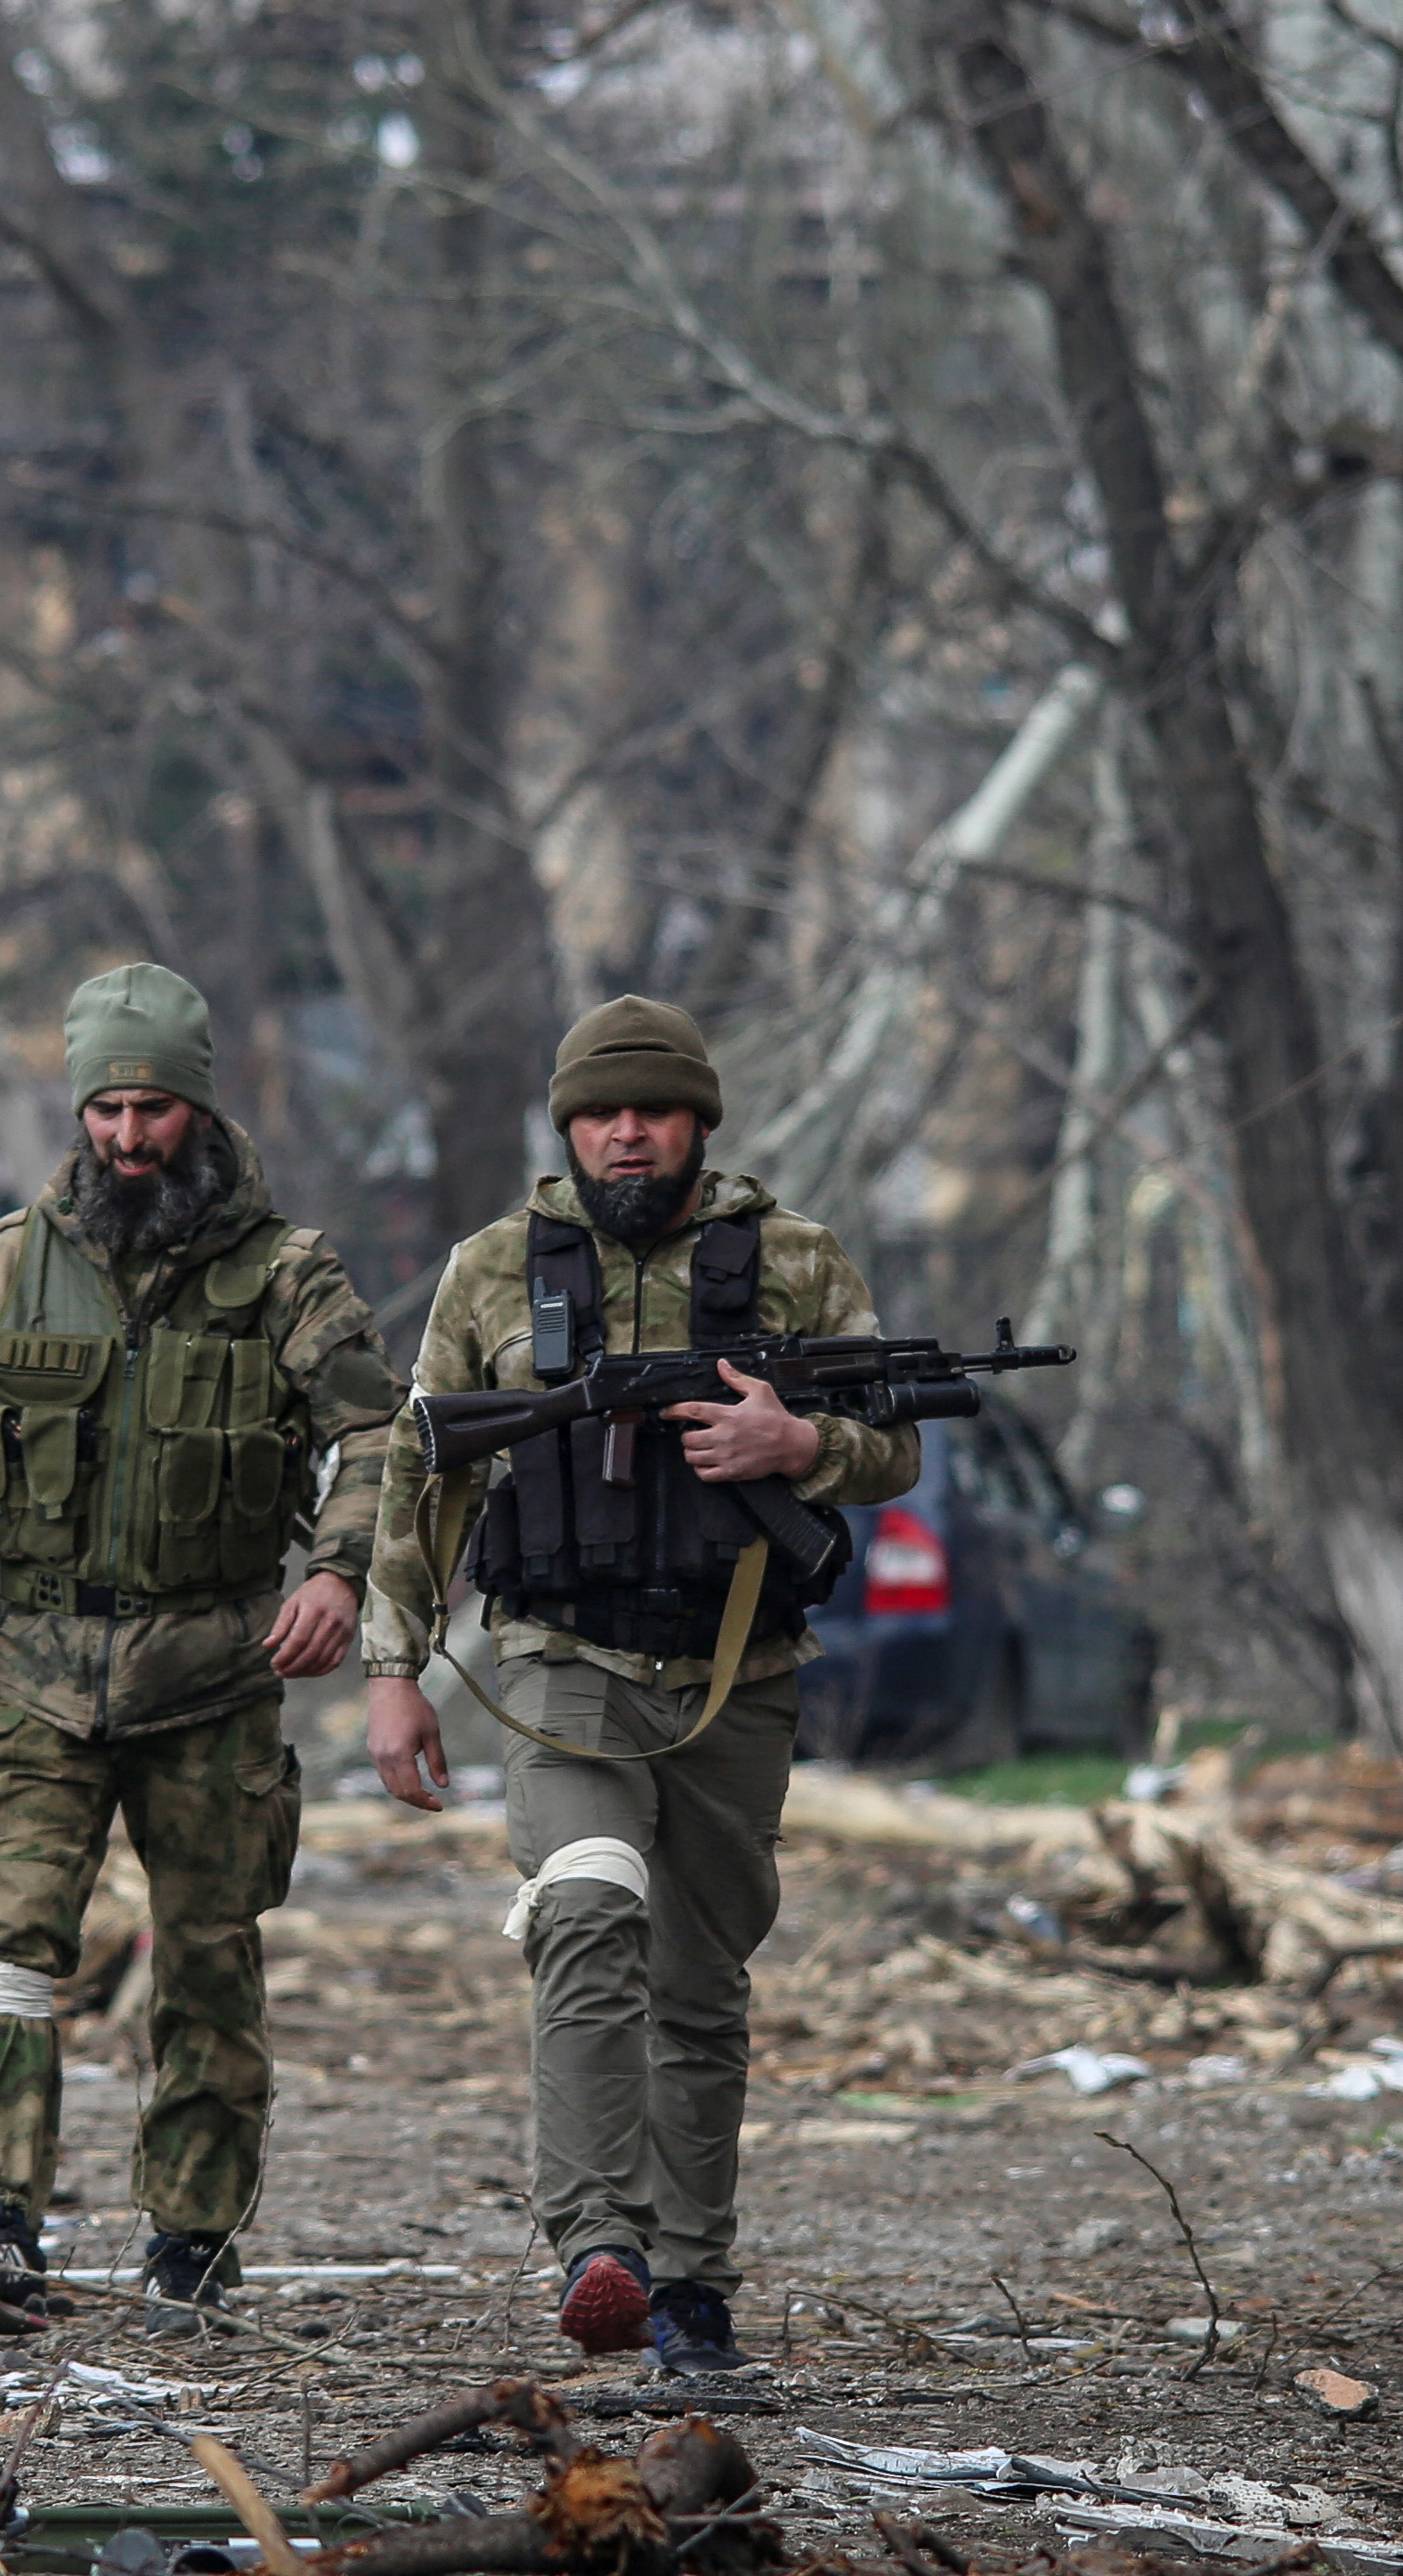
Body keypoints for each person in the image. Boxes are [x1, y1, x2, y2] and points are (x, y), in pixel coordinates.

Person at [361, 996, 917, 2377]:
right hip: (561, 1665)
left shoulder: (794, 1258)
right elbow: (421, 1464)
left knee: (700, 1982)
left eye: (654, 1109)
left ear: (697, 1122)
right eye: (603, 1110)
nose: (627, 1131)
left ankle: (691, 2290)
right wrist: (396, 1664)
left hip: (740, 1663)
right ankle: (601, 2246)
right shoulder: (496, 1269)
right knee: (588, 1909)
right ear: (568, 1125)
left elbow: (893, 1441)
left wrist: (800, 1440)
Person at [0, 962, 399, 2337]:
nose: (124, 1134)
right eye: (104, 1105)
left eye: (150, 1105)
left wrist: (340, 1574)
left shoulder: (286, 1272)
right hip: (39, 1674)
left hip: (219, 1671)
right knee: (9, 1948)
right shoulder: (11, 1262)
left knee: (210, 1960)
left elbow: (377, 1438)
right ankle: (0, 2219)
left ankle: (193, 2240)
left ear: (198, 1104)